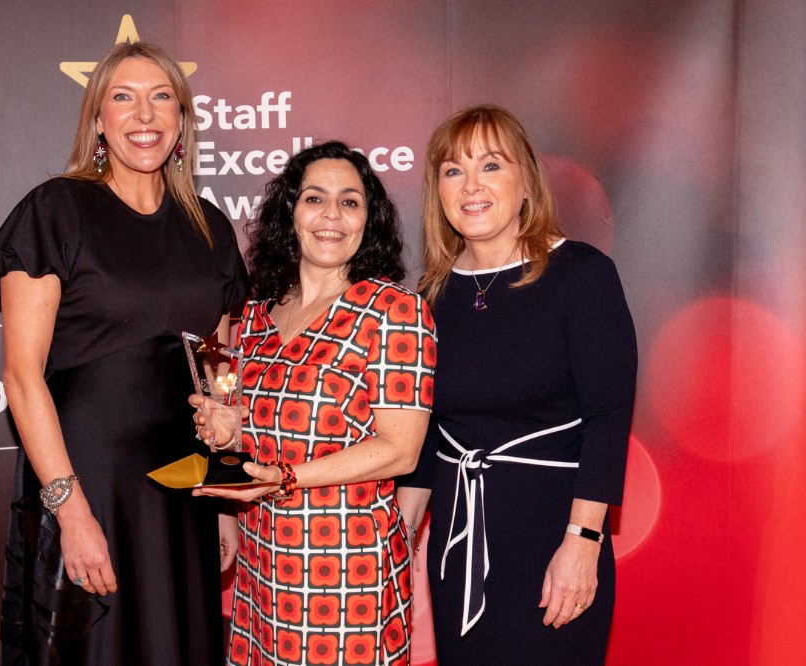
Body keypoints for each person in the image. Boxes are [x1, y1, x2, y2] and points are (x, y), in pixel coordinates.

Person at [0, 42, 248, 665]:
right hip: (87, 479)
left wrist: (223, 498)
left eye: (161, 98)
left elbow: (217, 375)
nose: (143, 115)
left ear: (181, 120)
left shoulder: (209, 226)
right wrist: (70, 513)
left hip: (183, 491)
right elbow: (22, 378)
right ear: (98, 118)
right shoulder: (57, 210)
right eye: (122, 97)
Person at [396, 105, 637, 664]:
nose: (471, 185)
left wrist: (583, 543)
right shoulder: (431, 297)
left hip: (555, 539)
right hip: (459, 549)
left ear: (526, 181)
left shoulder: (581, 275)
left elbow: (607, 420)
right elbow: (429, 435)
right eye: (453, 170)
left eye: (491, 166)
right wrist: (400, 540)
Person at [192, 141, 436, 666]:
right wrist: (222, 429)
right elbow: (247, 436)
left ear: (368, 221)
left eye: (350, 202)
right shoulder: (254, 316)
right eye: (315, 199)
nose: (331, 215)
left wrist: (286, 478)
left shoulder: (393, 310)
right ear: (290, 213)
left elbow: (400, 450)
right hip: (261, 566)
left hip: (347, 569)